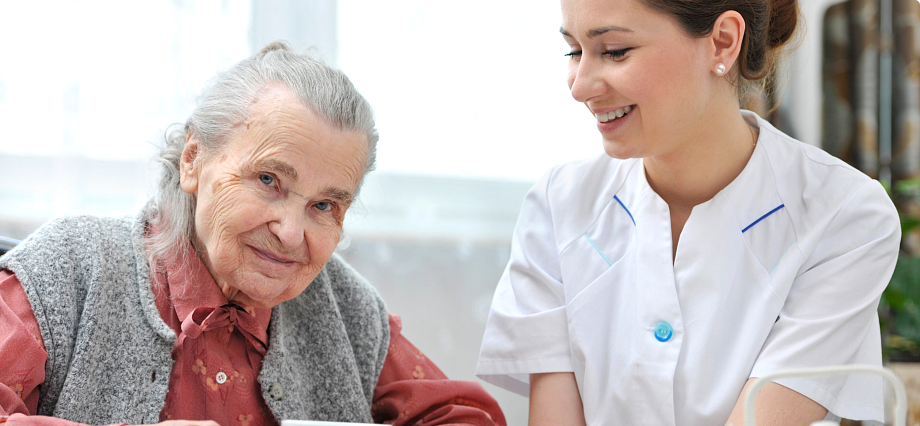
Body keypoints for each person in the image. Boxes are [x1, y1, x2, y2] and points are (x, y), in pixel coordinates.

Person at [0, 42, 506, 426]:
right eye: (269, 181)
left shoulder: (347, 310)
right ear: (194, 160)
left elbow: (464, 416)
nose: (290, 233)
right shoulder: (68, 270)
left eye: (323, 205)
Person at [475, 0, 900, 425]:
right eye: (574, 51)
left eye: (615, 51)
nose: (580, 85)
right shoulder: (558, 204)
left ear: (722, 42)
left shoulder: (846, 214)